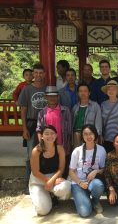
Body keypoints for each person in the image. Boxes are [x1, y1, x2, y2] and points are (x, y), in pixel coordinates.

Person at [18, 63, 47, 193]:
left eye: (41, 73)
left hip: (46, 125)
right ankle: (29, 183)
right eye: (36, 73)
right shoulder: (27, 89)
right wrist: (24, 128)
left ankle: (42, 181)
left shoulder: (48, 88)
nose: (38, 75)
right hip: (31, 123)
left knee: (46, 152)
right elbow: (23, 109)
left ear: (44, 74)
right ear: (33, 74)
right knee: (31, 154)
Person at [29, 125, 71, 216]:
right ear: (42, 136)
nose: (50, 136)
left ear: (56, 136)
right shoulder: (36, 150)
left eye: (52, 134)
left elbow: (61, 169)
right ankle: (44, 196)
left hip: (53, 178)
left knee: (66, 187)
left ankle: (52, 196)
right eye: (46, 134)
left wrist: (51, 181)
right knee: (43, 211)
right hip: (38, 180)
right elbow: (35, 171)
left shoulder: (59, 149)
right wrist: (48, 182)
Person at [69, 124, 106, 217]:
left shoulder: (101, 150)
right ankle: (84, 198)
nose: (88, 136)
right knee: (84, 212)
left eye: (91, 133)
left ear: (95, 135)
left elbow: (103, 168)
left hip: (92, 181)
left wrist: (96, 171)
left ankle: (95, 201)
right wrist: (80, 183)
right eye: (85, 134)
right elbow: (71, 171)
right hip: (78, 183)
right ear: (82, 136)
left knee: (98, 185)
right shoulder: (77, 151)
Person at [36, 86, 72, 178]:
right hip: (48, 145)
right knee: (51, 166)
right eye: (49, 96)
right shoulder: (42, 113)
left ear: (58, 97)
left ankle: (62, 186)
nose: (52, 98)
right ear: (46, 97)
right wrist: (41, 143)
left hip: (62, 144)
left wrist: (69, 143)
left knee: (63, 166)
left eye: (54, 96)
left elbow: (70, 129)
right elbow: (39, 129)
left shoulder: (65, 110)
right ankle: (50, 184)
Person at [72, 83, 102, 147]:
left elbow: (98, 123)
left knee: (90, 154)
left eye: (85, 91)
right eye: (81, 91)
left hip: (90, 135)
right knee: (78, 155)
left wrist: (97, 136)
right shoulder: (75, 107)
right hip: (77, 135)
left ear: (89, 93)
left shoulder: (95, 106)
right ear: (78, 93)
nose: (83, 93)